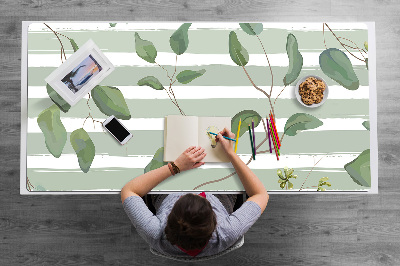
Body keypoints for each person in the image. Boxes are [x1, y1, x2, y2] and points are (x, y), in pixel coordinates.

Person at [121, 128, 269, 258]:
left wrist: (175, 167)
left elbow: (128, 190)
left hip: (166, 194)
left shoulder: (155, 233)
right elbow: (261, 194)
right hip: (221, 197)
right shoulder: (227, 232)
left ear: (169, 219)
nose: (196, 192)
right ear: (215, 222)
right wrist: (230, 153)